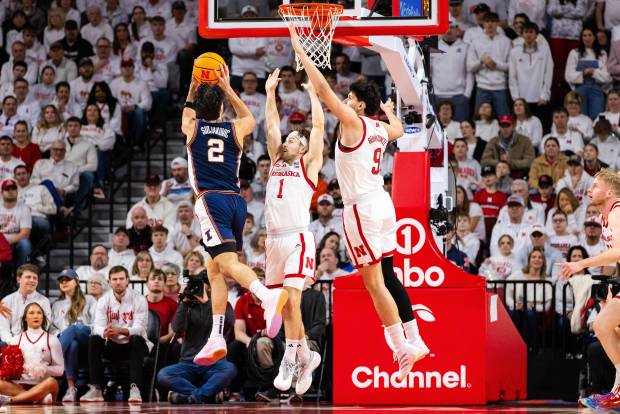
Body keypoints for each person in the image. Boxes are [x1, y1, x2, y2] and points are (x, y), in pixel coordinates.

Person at [289, 26, 428, 381]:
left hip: (361, 209)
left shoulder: (353, 121)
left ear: (359, 105)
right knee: (390, 274)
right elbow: (397, 127)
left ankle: (401, 349)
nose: (346, 102)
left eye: (350, 98)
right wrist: (386, 109)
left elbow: (323, 91)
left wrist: (302, 53)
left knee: (373, 283)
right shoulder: (381, 128)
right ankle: (415, 338)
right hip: (382, 203)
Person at [181, 66, 287, 367]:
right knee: (214, 269)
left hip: (210, 200)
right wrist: (228, 88)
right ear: (221, 107)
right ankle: (215, 336)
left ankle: (265, 296)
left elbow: (187, 113)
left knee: (227, 263)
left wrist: (193, 86)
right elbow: (251, 119)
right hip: (236, 201)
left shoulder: (193, 128)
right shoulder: (234, 129)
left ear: (199, 110)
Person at [263, 69, 324, 394]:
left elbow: (318, 128)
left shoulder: (308, 165)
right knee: (285, 305)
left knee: (293, 298)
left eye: (293, 140)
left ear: (303, 149)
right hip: (273, 241)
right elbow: (272, 124)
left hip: (298, 237)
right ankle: (306, 356)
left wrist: (314, 94)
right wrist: (269, 92)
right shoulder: (276, 161)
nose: (287, 141)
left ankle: (290, 356)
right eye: (288, 139)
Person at [560, 169, 620, 409]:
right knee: (605, 325)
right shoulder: (608, 216)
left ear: (608, 191)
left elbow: (618, 251)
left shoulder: (616, 211)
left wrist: (581, 264)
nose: (589, 189)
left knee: (605, 324)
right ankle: (617, 389)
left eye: (595, 185)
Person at [157, 273, 236, 404]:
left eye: (200, 286)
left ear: (210, 287)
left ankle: (188, 397)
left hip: (214, 363)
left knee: (230, 369)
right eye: (194, 286)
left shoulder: (221, 303)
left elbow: (230, 321)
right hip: (188, 362)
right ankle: (206, 395)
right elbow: (177, 328)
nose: (197, 289)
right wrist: (183, 303)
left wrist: (208, 302)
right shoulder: (187, 305)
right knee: (164, 375)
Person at [80, 266, 150, 403]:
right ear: (110, 282)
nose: (118, 282)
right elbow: (98, 326)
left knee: (136, 339)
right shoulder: (104, 300)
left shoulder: (139, 299)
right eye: (115, 279)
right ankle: (96, 389)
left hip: (134, 345)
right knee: (94, 339)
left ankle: (134, 389)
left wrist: (119, 330)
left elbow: (139, 328)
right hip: (112, 345)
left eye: (121, 279)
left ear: (127, 280)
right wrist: (104, 331)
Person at [0, 303, 63, 404]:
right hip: (19, 386)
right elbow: (7, 368)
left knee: (52, 382)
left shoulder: (52, 340)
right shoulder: (15, 340)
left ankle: (13, 399)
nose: (35, 316)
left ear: (43, 317)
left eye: (39, 313)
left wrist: (41, 368)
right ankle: (36, 397)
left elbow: (60, 370)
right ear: (25, 318)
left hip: (42, 384)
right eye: (31, 313)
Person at [51, 268, 96, 402]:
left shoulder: (89, 299)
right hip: (67, 341)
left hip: (86, 337)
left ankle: (54, 360)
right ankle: (71, 389)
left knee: (74, 328)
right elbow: (53, 328)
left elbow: (96, 323)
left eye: (68, 280)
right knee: (72, 344)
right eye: (61, 281)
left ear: (76, 282)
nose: (64, 283)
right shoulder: (56, 305)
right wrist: (63, 333)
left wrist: (79, 327)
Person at [0, 264, 51, 345]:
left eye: (35, 278)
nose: (32, 280)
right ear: (18, 279)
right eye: (28, 277)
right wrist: (11, 342)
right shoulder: (7, 301)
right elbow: (3, 328)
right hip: (12, 341)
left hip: (35, 342)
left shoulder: (44, 301)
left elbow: (45, 326)